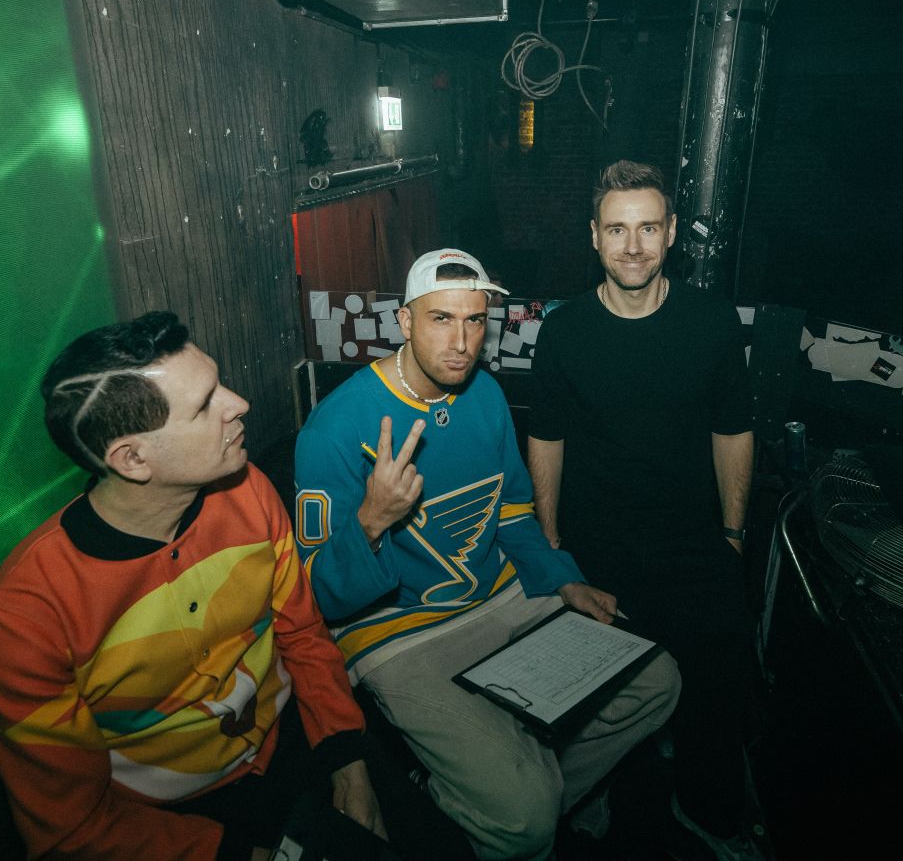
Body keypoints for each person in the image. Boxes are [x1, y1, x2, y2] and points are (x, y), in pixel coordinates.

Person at [293, 249, 682, 861]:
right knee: (524, 816)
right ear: (405, 321)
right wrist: (371, 522)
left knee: (657, 682)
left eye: (475, 320)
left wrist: (563, 580)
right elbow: (316, 595)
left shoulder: (486, 395)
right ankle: (505, 809)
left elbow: (513, 512)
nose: (462, 342)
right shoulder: (333, 429)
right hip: (399, 629)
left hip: (501, 597)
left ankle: (525, 795)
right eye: (442, 319)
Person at [0, 311, 384, 861]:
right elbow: (71, 829)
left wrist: (347, 759)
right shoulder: (26, 612)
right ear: (132, 458)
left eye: (220, 384)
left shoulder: (249, 491)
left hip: (290, 747)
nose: (239, 404)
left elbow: (304, 634)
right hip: (165, 821)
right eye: (204, 404)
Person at [527, 161, 760, 861]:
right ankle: (590, 794)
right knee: (596, 694)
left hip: (694, 543)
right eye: (618, 230)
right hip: (600, 545)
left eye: (648, 228)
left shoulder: (713, 322)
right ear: (594, 236)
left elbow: (733, 431)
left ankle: (708, 810)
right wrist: (552, 542)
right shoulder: (564, 330)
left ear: (671, 233)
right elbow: (546, 438)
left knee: (718, 692)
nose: (633, 246)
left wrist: (733, 534)